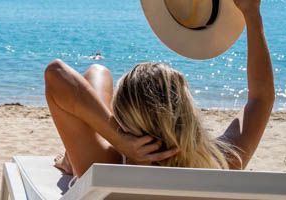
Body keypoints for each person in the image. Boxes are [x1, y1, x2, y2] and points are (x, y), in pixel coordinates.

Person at [47, 0, 273, 177]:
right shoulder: (221, 161)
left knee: (97, 72)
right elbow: (261, 98)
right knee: (97, 73)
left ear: (123, 117)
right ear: (186, 110)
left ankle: (70, 158)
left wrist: (119, 139)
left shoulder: (105, 163)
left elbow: (56, 73)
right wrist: (252, 13)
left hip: (108, 156)